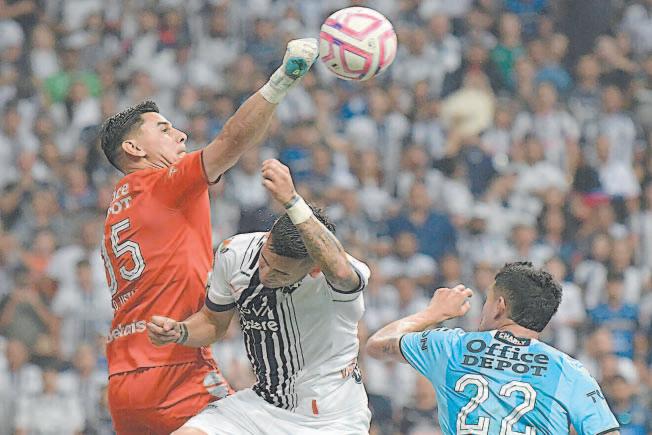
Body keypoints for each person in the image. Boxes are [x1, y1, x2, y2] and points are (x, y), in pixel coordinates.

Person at [99, 39, 318, 435]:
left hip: (123, 382)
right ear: (133, 148)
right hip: (175, 373)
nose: (181, 135)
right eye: (164, 129)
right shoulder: (162, 185)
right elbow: (231, 142)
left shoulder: (118, 209)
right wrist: (281, 81)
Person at [147, 159, 372, 434]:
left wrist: (292, 200)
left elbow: (338, 268)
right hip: (263, 406)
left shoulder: (339, 280)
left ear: (314, 269)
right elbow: (213, 322)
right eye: (265, 261)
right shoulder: (235, 253)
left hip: (333, 419)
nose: (266, 274)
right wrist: (179, 331)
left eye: (281, 273)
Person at [366, 261, 620, 435]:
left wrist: (433, 313)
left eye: (487, 300)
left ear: (499, 306)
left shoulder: (450, 347)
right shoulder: (569, 370)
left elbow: (377, 344)